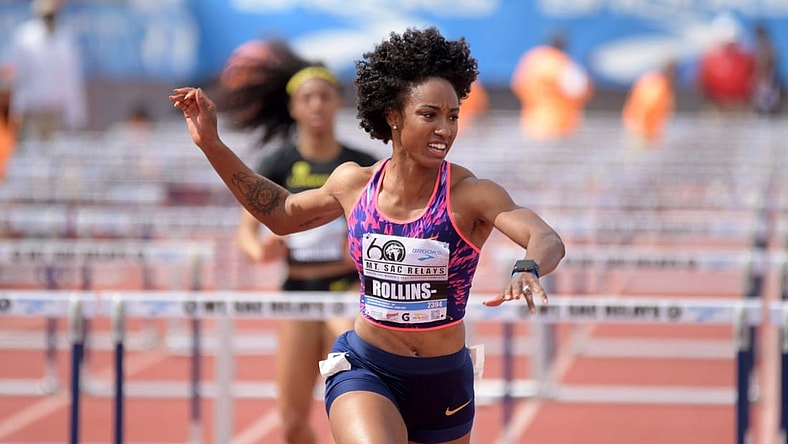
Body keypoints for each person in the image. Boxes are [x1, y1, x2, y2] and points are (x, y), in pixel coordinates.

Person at [170, 26, 565, 444]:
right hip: (367, 366)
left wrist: (528, 266)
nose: (444, 130)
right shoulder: (352, 185)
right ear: (393, 116)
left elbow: (544, 237)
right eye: (429, 115)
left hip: (443, 379)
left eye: (452, 117)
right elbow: (281, 214)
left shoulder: (471, 195)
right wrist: (211, 143)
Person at [220, 39, 378, 444]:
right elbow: (246, 233)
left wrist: (360, 253)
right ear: (293, 107)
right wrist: (259, 251)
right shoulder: (278, 163)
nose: (316, 105)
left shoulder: (360, 163)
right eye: (307, 97)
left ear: (336, 103)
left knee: (351, 412)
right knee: (291, 423)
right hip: (295, 293)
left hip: (346, 293)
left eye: (325, 96)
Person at [2, 0, 87, 142]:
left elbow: (71, 80)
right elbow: (12, 74)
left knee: (52, 158)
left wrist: (75, 114)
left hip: (55, 114)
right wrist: (13, 110)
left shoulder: (65, 40)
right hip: (30, 111)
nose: (50, 17)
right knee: (29, 157)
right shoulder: (24, 38)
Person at [510, 31, 593, 140]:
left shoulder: (532, 60)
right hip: (560, 125)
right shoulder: (563, 63)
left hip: (532, 123)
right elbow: (579, 90)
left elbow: (517, 85)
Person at [697, 14, 755, 112]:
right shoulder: (709, 58)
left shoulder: (745, 57)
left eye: (732, 43)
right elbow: (703, 83)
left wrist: (741, 99)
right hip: (716, 105)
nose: (729, 47)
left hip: (740, 105)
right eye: (726, 44)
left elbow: (752, 80)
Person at [621, 60, 676, 146]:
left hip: (637, 126)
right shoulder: (658, 84)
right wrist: (646, 132)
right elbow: (648, 106)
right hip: (642, 130)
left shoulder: (651, 79)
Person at [751, 23, 783, 115]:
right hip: (761, 81)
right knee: (761, 105)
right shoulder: (757, 45)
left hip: (770, 79)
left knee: (771, 103)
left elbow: (773, 63)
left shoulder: (770, 46)